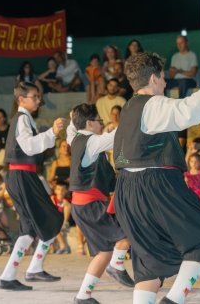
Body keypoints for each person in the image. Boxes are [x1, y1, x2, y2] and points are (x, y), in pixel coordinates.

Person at [112, 52, 200, 304]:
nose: (165, 84)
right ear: (153, 77)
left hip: (126, 190)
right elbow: (187, 110)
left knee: (149, 260)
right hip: (155, 184)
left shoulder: (127, 109)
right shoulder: (153, 104)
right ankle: (172, 301)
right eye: (162, 79)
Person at [0, 81, 66, 291]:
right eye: (34, 96)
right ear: (21, 99)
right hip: (22, 175)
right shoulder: (21, 119)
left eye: (38, 97)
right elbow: (28, 146)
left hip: (22, 175)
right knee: (53, 218)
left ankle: (10, 275)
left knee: (28, 228)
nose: (38, 100)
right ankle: (33, 268)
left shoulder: (24, 119)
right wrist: (52, 133)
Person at [67, 103, 135, 303]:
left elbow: (71, 128)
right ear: (89, 123)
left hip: (81, 206)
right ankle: (117, 265)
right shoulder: (91, 141)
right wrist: (136, 117)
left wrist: (73, 116)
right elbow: (115, 137)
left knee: (104, 252)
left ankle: (83, 296)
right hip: (90, 205)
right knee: (128, 233)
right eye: (99, 121)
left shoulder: (75, 138)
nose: (101, 125)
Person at [50, 183, 70, 254]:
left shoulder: (66, 202)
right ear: (55, 191)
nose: (61, 192)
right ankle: (62, 245)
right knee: (53, 226)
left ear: (66, 191)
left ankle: (62, 246)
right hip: (53, 220)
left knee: (67, 205)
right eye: (58, 189)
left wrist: (64, 222)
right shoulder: (52, 199)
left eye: (63, 190)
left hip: (62, 221)